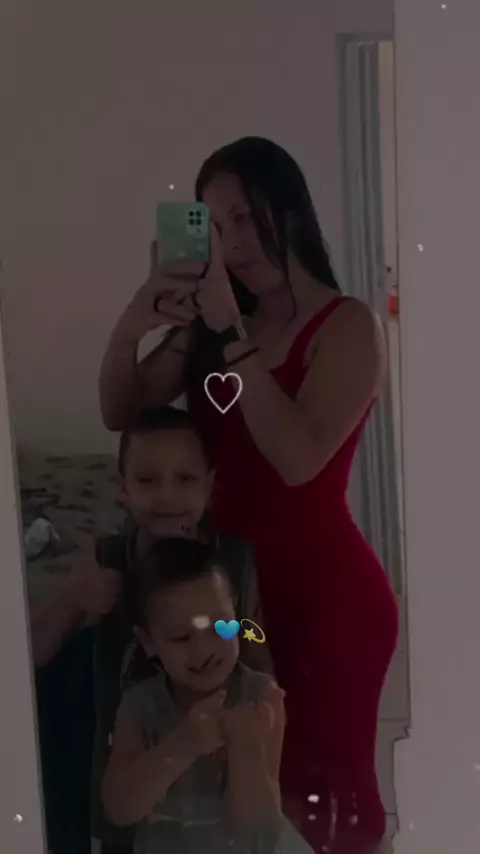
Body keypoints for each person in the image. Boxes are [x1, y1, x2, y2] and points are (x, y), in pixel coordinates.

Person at [98, 136, 399, 853]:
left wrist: (229, 328)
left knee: (330, 802)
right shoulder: (210, 329)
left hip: (324, 601)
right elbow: (121, 409)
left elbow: (296, 459)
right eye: (214, 225)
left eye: (243, 216)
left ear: (287, 208)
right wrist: (142, 318)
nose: (231, 240)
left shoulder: (347, 326)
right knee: (251, 791)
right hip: (233, 598)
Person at [30, 406, 270, 854]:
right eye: (147, 480)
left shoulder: (234, 562)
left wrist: (262, 709)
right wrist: (73, 597)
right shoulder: (106, 561)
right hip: (127, 766)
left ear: (209, 487)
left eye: (185, 479)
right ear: (123, 488)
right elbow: (26, 660)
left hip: (217, 767)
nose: (167, 496)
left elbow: (255, 642)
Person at [102, 537, 287, 853]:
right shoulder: (140, 707)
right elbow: (118, 810)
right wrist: (184, 744)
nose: (204, 651)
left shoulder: (261, 698)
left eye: (219, 627)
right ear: (148, 641)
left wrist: (247, 749)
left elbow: (257, 829)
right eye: (181, 637)